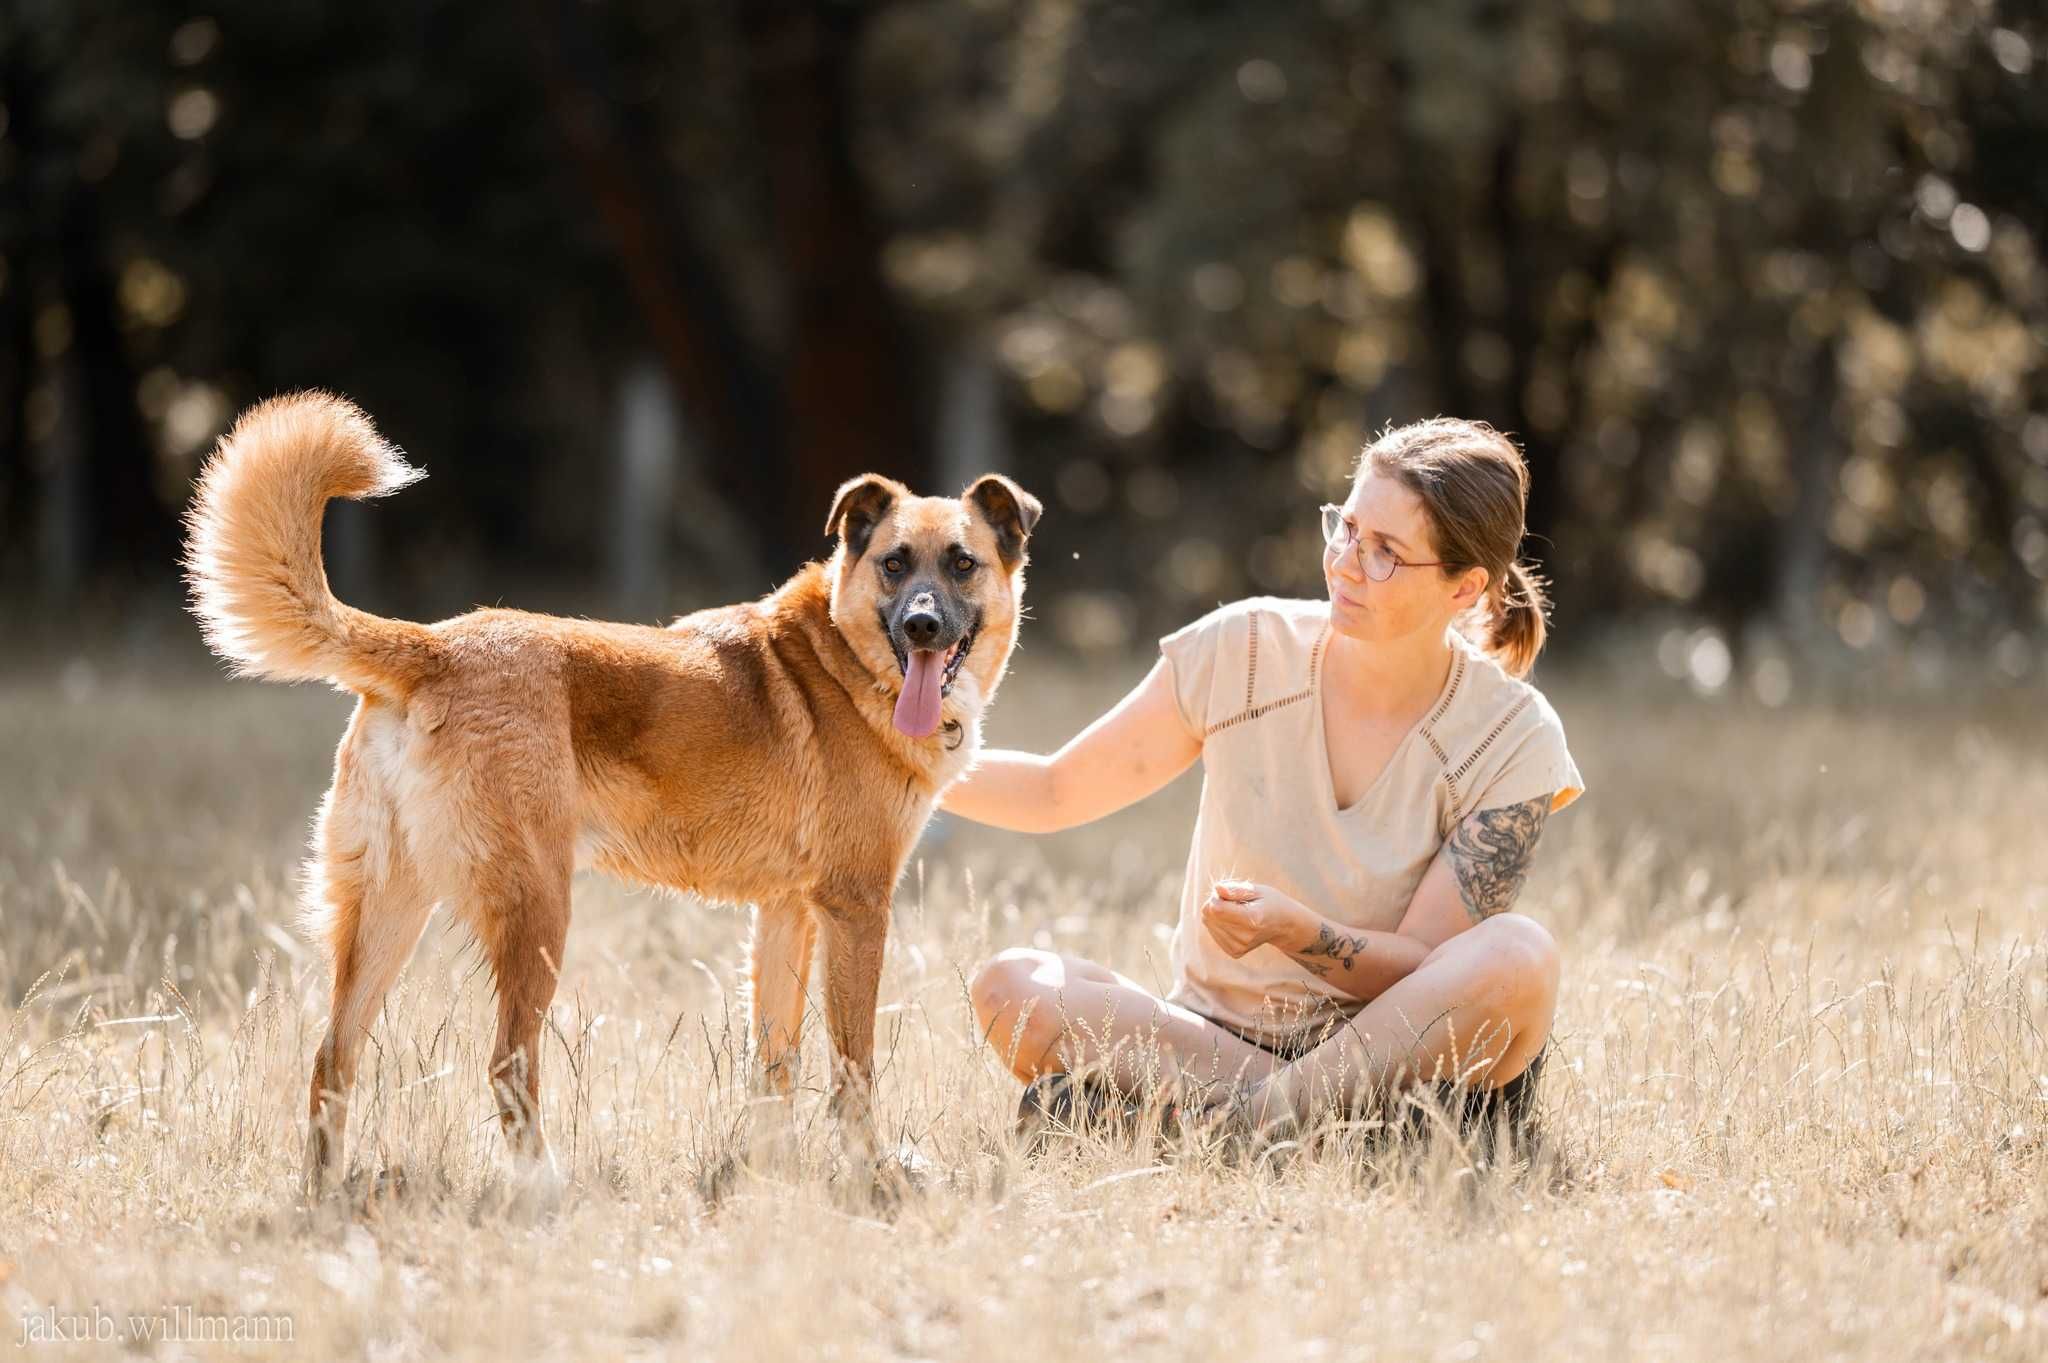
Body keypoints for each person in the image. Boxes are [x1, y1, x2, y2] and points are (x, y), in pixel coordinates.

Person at [940, 417, 1585, 1153]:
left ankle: (1227, 1123)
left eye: (1385, 554)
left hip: (1409, 1055)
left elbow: (1421, 967)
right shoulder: (1244, 648)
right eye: (1345, 529)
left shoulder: (1515, 734)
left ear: (1464, 585)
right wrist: (895, 758)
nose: (1345, 562)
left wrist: (1297, 932)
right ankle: (1336, 1133)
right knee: (1013, 987)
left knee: (1520, 955)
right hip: (1217, 1037)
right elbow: (1056, 790)